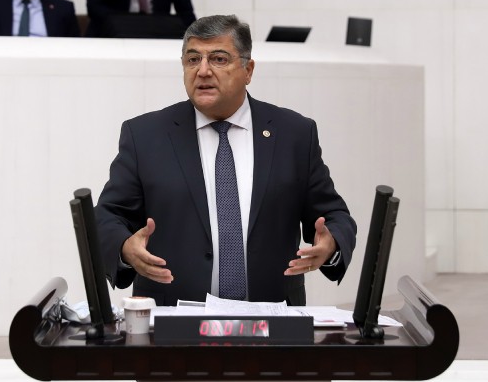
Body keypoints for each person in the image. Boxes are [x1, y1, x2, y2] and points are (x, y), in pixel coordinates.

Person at [95, 15, 357, 307]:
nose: (203, 71)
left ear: (248, 70)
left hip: (272, 318)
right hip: (173, 321)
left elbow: (334, 215)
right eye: (193, 59)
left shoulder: (294, 133)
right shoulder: (145, 135)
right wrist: (124, 247)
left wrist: (331, 242)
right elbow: (108, 216)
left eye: (218, 59)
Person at [85, 0, 196, 37]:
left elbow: (186, 14)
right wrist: (131, 24)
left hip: (158, 36)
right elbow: (94, 8)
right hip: (112, 36)